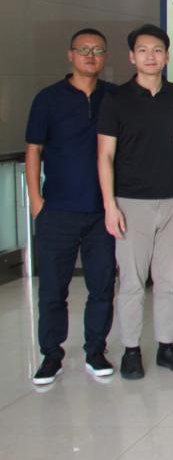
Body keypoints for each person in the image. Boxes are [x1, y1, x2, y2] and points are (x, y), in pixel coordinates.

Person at [97, 23, 173, 380]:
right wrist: (110, 205)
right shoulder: (116, 99)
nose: (150, 56)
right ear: (131, 57)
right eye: (143, 50)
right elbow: (105, 156)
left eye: (157, 50)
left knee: (168, 280)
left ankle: (166, 346)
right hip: (130, 202)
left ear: (167, 56)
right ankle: (131, 350)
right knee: (132, 282)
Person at [25, 28, 118, 384]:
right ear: (70, 55)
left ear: (106, 56)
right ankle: (51, 354)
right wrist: (36, 201)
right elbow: (34, 149)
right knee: (53, 289)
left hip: (102, 212)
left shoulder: (113, 96)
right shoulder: (48, 99)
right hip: (58, 210)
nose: (90, 56)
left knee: (101, 286)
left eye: (97, 50)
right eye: (83, 50)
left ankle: (96, 350)